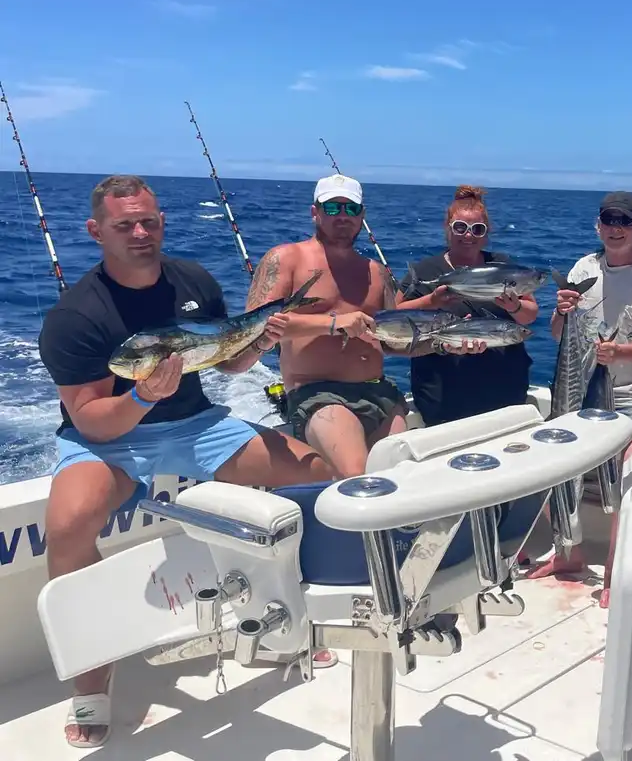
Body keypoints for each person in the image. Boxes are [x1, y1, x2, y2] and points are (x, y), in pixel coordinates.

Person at [38, 175, 335, 749]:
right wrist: (143, 396)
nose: (140, 233)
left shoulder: (194, 281)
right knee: (69, 523)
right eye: (125, 225)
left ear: (162, 223)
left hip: (195, 425)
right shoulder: (75, 315)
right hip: (110, 437)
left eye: (149, 221)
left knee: (314, 473)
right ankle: (91, 674)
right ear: (96, 231)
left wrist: (258, 341)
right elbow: (91, 419)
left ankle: (288, 611)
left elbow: (226, 362)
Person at [529, 191, 632, 604]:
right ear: (598, 226)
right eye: (610, 220)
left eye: (625, 221)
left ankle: (615, 572)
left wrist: (621, 352)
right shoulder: (582, 269)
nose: (617, 228)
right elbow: (557, 334)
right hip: (582, 392)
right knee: (544, 460)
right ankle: (569, 553)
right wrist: (561, 311)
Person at [244, 174, 410, 479]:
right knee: (360, 479)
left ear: (362, 215)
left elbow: (395, 339)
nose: (343, 216)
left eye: (351, 209)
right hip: (319, 396)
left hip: (381, 394)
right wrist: (333, 323)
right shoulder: (285, 258)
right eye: (333, 207)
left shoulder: (376, 272)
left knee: (402, 477)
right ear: (315, 212)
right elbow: (254, 327)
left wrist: (444, 343)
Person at [396, 185, 539, 425]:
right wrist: (431, 301)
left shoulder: (501, 266)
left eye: (477, 229)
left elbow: (530, 315)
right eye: (460, 227)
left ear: (486, 232)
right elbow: (395, 316)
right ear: (448, 227)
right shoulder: (426, 271)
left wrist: (514, 307)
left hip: (504, 387)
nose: (468, 235)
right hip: (443, 394)